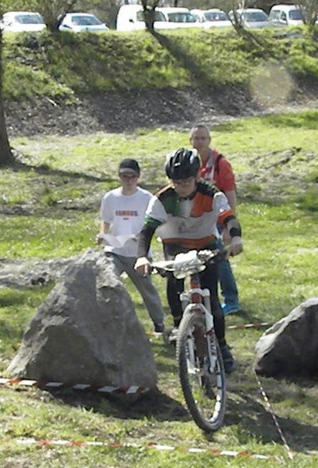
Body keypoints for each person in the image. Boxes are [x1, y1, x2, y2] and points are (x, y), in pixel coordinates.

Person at [134, 148, 243, 373]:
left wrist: (236, 239)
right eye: (176, 182)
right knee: (173, 282)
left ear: (196, 178)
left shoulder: (212, 194)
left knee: (212, 298)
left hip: (206, 243)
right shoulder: (162, 198)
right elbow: (146, 231)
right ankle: (179, 328)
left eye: (186, 182)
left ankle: (221, 346)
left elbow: (229, 217)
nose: (181, 188)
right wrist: (142, 257)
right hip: (176, 244)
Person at [96, 158, 166, 335]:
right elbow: (105, 220)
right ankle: (107, 323)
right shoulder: (110, 198)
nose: (128, 180)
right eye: (124, 176)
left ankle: (159, 323)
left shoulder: (146, 198)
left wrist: (141, 236)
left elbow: (154, 222)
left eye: (132, 177)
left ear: (138, 177)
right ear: (119, 177)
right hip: (115, 250)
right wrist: (103, 234)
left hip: (138, 253)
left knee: (147, 289)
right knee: (107, 283)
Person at [190, 124, 241, 315]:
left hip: (219, 218)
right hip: (197, 220)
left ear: (209, 140)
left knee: (220, 258)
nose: (199, 142)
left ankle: (231, 299)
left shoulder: (220, 163)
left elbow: (230, 194)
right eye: (196, 138)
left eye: (203, 138)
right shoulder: (189, 162)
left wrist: (230, 226)